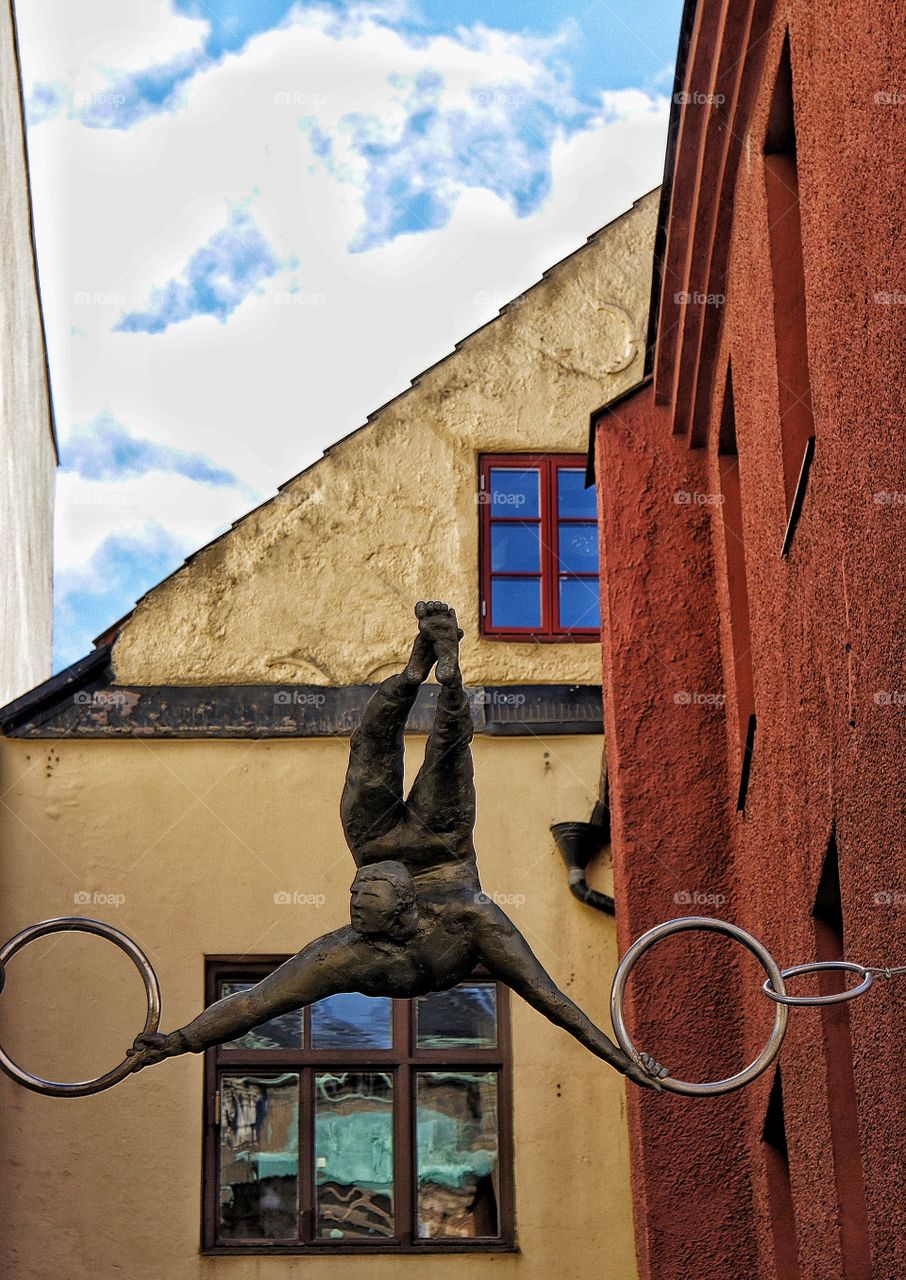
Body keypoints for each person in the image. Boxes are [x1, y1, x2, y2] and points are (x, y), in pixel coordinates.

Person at [128, 603, 665, 1090]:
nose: (356, 908)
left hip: (386, 843)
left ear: (403, 906)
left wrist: (623, 1059)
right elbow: (253, 1004)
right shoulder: (388, 941)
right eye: (359, 906)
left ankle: (424, 673)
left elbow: (553, 1001)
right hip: (444, 852)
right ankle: (434, 677)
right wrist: (175, 1041)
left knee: (376, 749)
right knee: (446, 753)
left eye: (363, 899)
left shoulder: (447, 924)